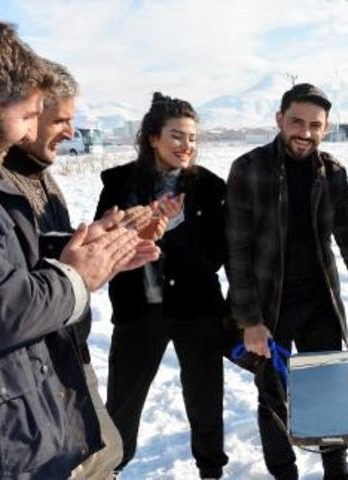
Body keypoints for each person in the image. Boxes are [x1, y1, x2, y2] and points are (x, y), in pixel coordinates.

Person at [0, 19, 157, 478]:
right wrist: (77, 276)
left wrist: (87, 248)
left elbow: (1, 258)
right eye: (30, 115)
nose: (30, 132)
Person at [226, 83, 348, 480]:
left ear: (326, 128)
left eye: (316, 125)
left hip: (320, 303)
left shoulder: (332, 173)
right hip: (269, 307)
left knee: (328, 392)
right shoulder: (249, 169)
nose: (305, 132)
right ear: (280, 119)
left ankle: (337, 469)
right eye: (297, 121)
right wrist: (250, 320)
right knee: (273, 397)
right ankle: (284, 473)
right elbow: (237, 251)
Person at [0, 60, 154, 479]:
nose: (70, 132)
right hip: (25, 374)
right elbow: (7, 288)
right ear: (27, 117)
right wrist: (79, 269)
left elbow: (47, 254)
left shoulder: (44, 178)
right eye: (60, 120)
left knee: (102, 456)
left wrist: (105, 249)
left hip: (67, 353)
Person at [97, 92, 229, 479]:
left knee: (205, 402)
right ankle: (112, 470)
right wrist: (134, 228)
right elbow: (101, 247)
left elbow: (213, 258)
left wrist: (177, 226)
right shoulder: (119, 183)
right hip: (138, 312)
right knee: (123, 404)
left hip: (197, 312)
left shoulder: (208, 188)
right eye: (176, 136)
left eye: (192, 138)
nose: (186, 146)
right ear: (152, 137)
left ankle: (211, 471)